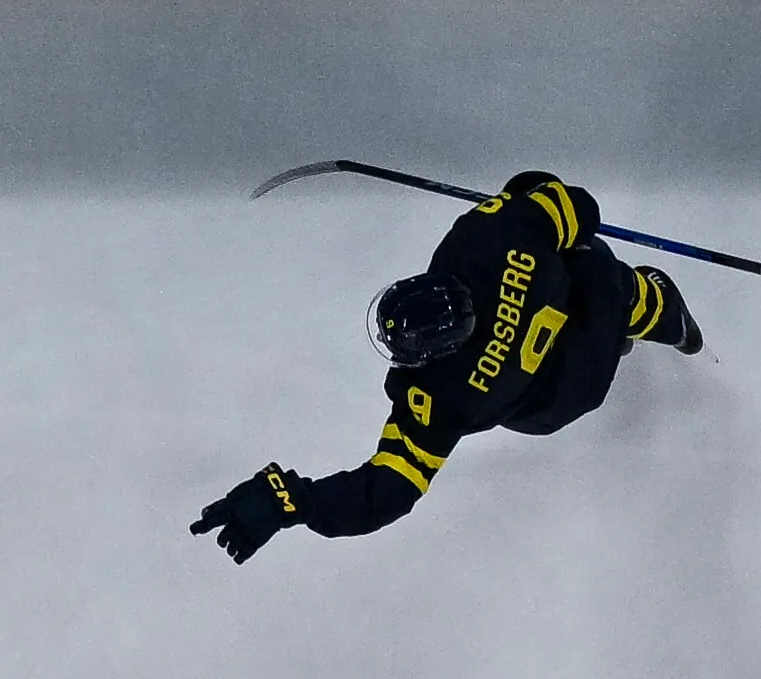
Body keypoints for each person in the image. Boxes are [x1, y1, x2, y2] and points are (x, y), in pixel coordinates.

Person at [191, 169, 702, 561]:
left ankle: (646, 314)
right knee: (594, 271)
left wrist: (292, 502)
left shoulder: (435, 399)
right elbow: (577, 206)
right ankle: (658, 310)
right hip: (583, 340)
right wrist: (532, 193)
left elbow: (383, 492)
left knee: (588, 289)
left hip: (558, 401)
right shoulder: (488, 240)